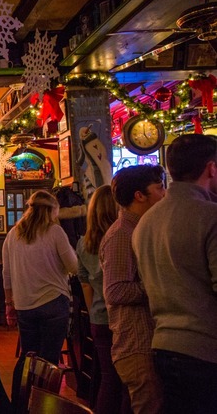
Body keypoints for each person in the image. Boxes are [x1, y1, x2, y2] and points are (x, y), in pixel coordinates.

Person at [133, 134, 217, 413]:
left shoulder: (146, 221)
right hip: (205, 349)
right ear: (211, 168)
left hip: (162, 346)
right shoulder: (209, 216)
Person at [100, 165, 166, 414]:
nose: (164, 193)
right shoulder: (121, 235)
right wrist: (160, 284)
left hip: (145, 342)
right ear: (139, 195)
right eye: (159, 188)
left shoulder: (139, 229)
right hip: (137, 344)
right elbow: (115, 291)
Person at [2, 190, 78, 405]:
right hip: (53, 301)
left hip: (24, 305)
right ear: (52, 210)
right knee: (49, 361)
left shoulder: (13, 234)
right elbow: (74, 267)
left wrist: (9, 303)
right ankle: (43, 406)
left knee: (28, 357)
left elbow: (6, 274)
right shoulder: (55, 232)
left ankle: (19, 404)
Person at [76, 185, 128, 414]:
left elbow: (84, 281)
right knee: (126, 379)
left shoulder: (83, 243)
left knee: (108, 377)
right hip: (122, 315)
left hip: (99, 315)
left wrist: (93, 312)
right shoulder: (121, 237)